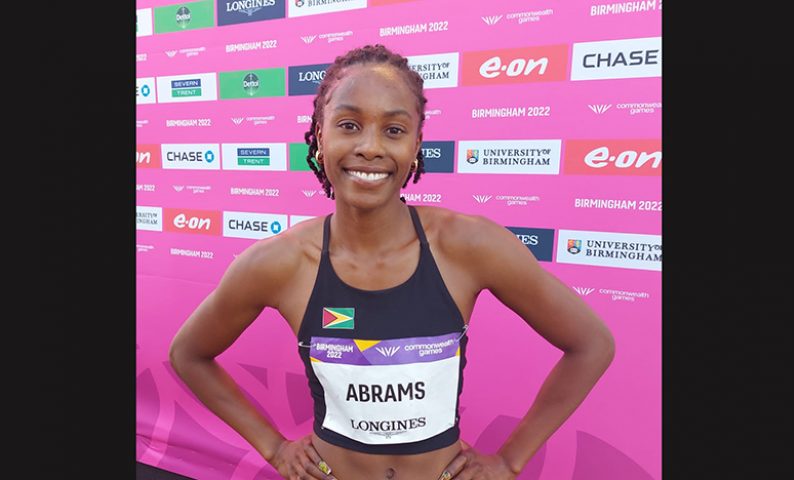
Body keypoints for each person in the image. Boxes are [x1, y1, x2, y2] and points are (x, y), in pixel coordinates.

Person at [169, 44, 615, 480]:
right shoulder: (279, 262)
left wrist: (510, 461)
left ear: (417, 144)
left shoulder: (469, 245)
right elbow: (189, 354)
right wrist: (275, 448)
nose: (369, 147)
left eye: (394, 130)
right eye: (348, 124)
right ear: (320, 136)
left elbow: (591, 343)